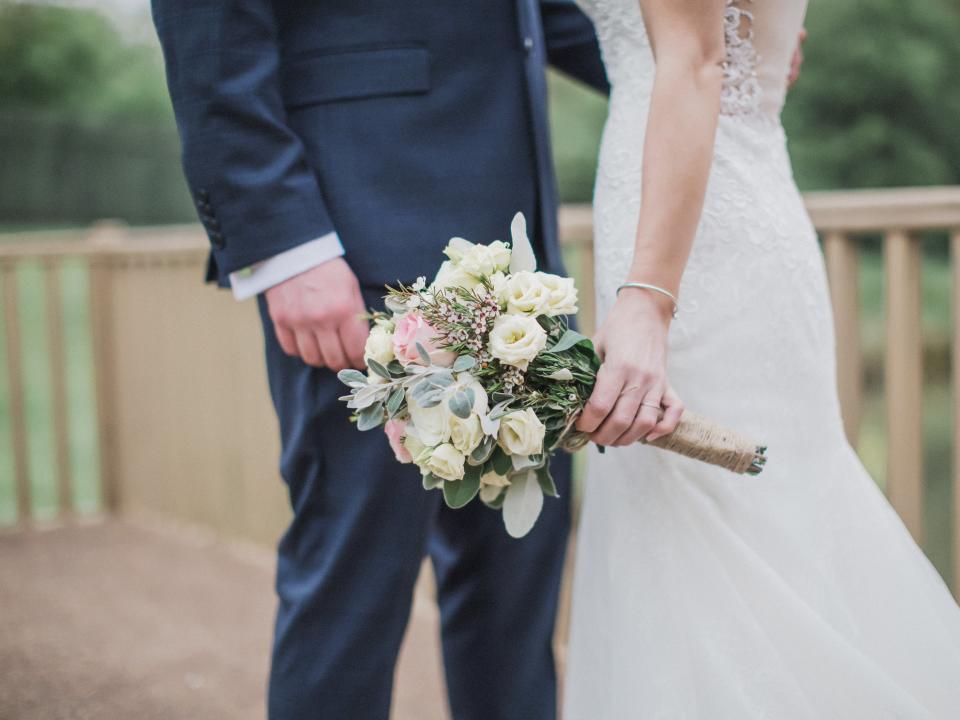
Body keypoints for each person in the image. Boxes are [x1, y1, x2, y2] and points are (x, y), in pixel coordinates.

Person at [150, 2, 608, 719]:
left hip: (518, 267)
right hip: (358, 246)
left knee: (516, 592)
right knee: (351, 590)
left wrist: (719, 55)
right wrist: (284, 242)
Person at [564, 0, 960, 717]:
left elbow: (694, 62)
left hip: (688, 255)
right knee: (704, 542)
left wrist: (648, 302)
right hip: (705, 211)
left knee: (727, 533)